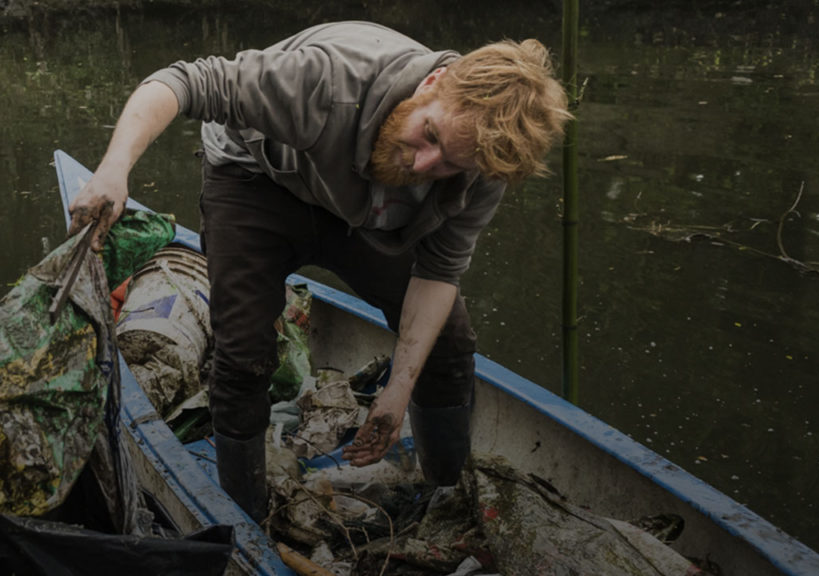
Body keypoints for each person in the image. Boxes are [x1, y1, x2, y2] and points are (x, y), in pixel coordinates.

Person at [67, 21, 571, 521]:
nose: (423, 165)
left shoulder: (480, 165)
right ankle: (246, 516)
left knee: (450, 341)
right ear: (433, 84)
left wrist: (397, 391)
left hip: (367, 208)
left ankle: (444, 495)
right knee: (243, 357)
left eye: (447, 164)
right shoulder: (328, 82)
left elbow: (438, 273)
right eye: (429, 136)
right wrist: (116, 167)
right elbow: (181, 82)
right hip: (258, 181)